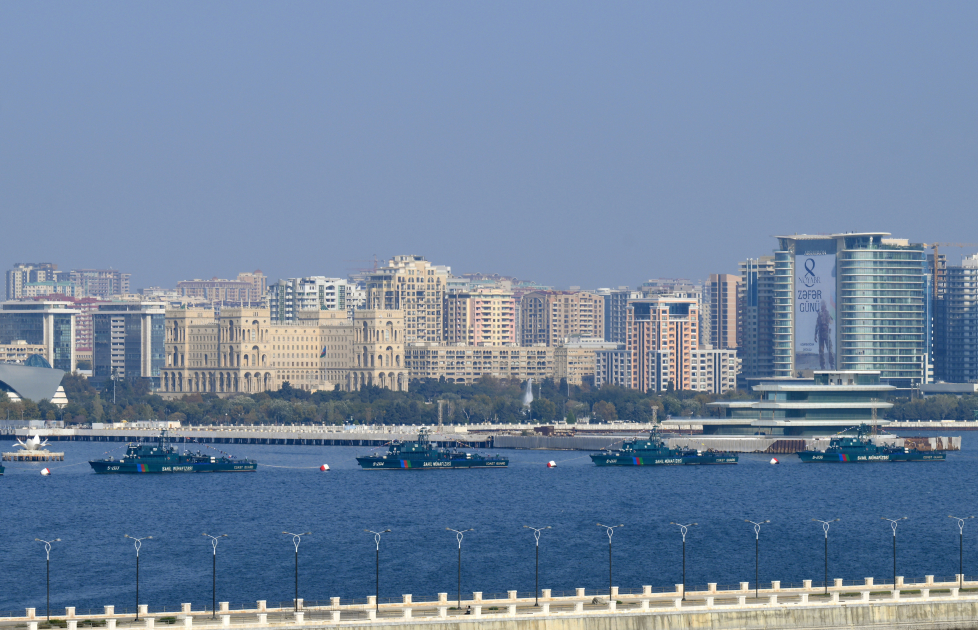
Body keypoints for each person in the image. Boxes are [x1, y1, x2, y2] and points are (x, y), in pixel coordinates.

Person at [815, 300, 835, 369]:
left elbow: (831, 321)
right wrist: (815, 335)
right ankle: (822, 366)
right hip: (820, 333)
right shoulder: (819, 314)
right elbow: (817, 325)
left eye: (822, 305)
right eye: (821, 305)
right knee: (821, 351)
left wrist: (829, 318)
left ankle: (832, 365)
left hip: (826, 333)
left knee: (830, 350)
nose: (821, 306)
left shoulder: (828, 313)